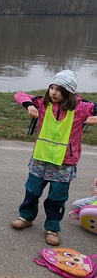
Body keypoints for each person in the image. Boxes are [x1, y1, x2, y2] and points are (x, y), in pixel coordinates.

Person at [11, 69, 97, 246]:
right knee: (32, 191)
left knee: (57, 198)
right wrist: (30, 105)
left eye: (59, 89)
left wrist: (96, 116)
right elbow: (19, 94)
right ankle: (26, 217)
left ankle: (52, 228)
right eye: (51, 87)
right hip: (40, 159)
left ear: (69, 92)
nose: (53, 92)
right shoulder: (43, 104)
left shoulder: (81, 108)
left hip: (64, 163)